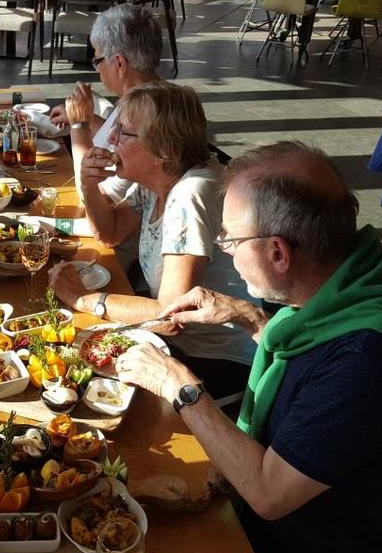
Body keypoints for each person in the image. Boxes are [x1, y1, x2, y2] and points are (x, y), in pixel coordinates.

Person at [114, 141, 382, 553]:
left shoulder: (368, 358)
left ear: (278, 252)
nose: (225, 248)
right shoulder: (363, 276)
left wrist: (180, 386)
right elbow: (315, 362)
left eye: (230, 239)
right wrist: (253, 320)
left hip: (298, 550)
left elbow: (267, 493)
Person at [48, 82, 256, 400]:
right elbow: (111, 232)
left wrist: (83, 299)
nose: (111, 138)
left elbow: (168, 317)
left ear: (165, 151)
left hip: (213, 364)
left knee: (67, 378)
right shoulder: (157, 180)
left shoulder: (190, 193)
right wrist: (88, 186)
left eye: (123, 132)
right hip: (171, 344)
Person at [47, 4, 165, 197]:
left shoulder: (148, 113)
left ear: (119, 63)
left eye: (97, 61)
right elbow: (118, 138)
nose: (97, 69)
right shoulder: (149, 94)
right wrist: (86, 117)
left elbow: (97, 196)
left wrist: (79, 126)